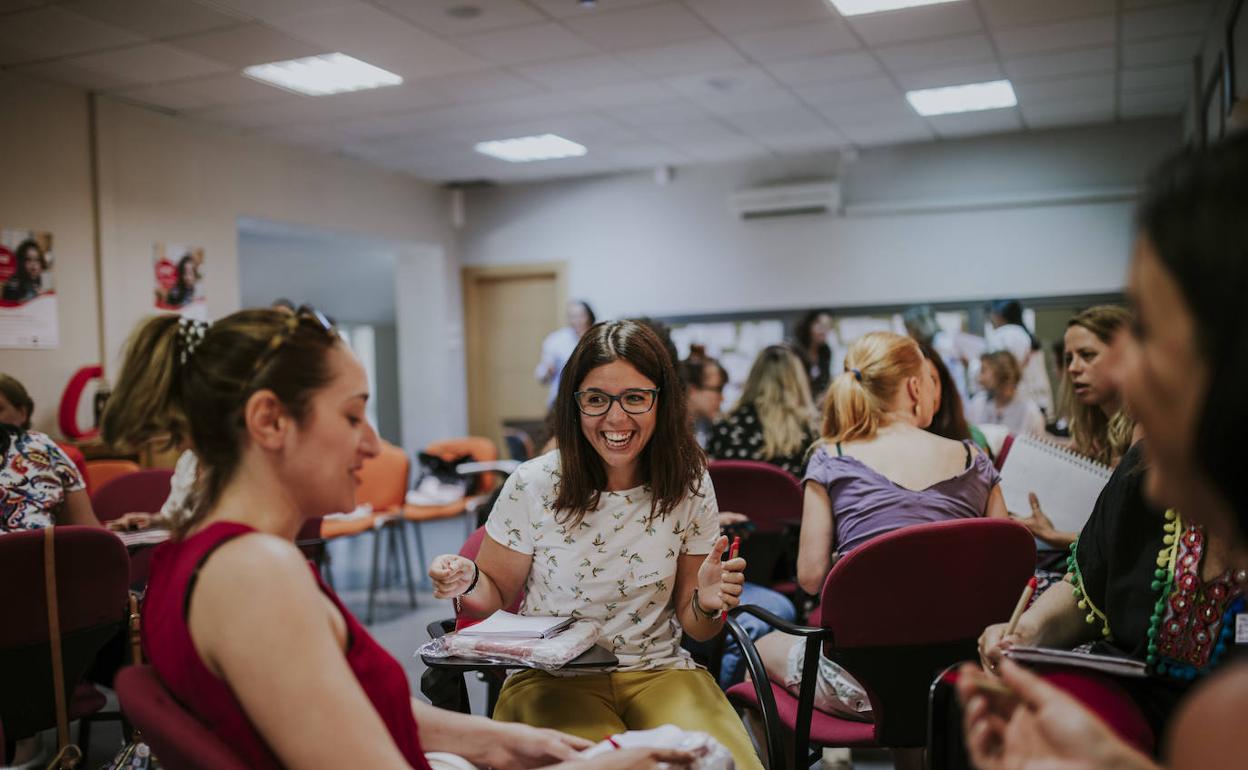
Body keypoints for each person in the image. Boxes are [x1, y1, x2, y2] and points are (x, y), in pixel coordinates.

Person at [104, 310, 682, 770]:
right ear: (270, 422)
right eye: (353, 416)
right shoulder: (256, 576)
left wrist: (508, 742)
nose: (374, 446)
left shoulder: (195, 552)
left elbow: (354, 710)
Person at [960, 132, 1248, 770]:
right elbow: (1091, 584)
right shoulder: (1143, 469)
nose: (1119, 369)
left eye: (1147, 328)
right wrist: (1028, 630)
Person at [429, 320, 763, 770]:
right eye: (596, 399)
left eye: (635, 398)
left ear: (661, 401)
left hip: (659, 670)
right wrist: (469, 580)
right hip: (551, 680)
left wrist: (705, 603)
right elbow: (494, 600)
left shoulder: (688, 483)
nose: (616, 418)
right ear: (575, 404)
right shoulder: (534, 483)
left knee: (724, 763)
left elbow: (699, 627)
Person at [751, 332, 1006, 757]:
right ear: (913, 386)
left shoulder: (831, 457)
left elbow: (811, 579)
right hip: (962, 678)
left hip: (861, 686)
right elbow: (1006, 575)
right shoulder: (973, 458)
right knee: (919, 647)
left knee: (757, 651)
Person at [1013, 305, 1138, 551]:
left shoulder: (1143, 431)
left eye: (1087, 355)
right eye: (1069, 358)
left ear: (1124, 356)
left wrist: (1054, 535)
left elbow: (1127, 545)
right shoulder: (1097, 432)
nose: (1072, 368)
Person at [707, 345, 817, 478]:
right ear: (797, 382)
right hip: (787, 499)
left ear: (753, 378)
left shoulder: (724, 426)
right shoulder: (808, 430)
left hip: (733, 499)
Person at [986, 299, 1054, 419]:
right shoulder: (1026, 335)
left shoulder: (1004, 334)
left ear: (999, 315)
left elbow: (1003, 370)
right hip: (1038, 399)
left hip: (1020, 402)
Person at [966, 351, 1046, 437]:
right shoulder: (978, 403)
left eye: (983, 371)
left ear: (1000, 372)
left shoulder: (1030, 413)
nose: (980, 378)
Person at [535, 300, 595, 407]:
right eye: (573, 316)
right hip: (562, 400)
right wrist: (548, 371)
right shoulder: (556, 340)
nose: (577, 320)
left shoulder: (597, 338)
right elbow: (541, 374)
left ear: (589, 317)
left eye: (581, 316)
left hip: (591, 397)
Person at [679, 354, 727, 449]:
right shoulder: (667, 432)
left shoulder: (703, 427)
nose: (722, 398)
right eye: (718, 389)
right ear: (692, 390)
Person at [792, 309, 833, 400]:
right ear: (809, 326)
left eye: (828, 326)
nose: (824, 331)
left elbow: (825, 380)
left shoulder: (826, 351)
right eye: (820, 326)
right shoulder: (795, 351)